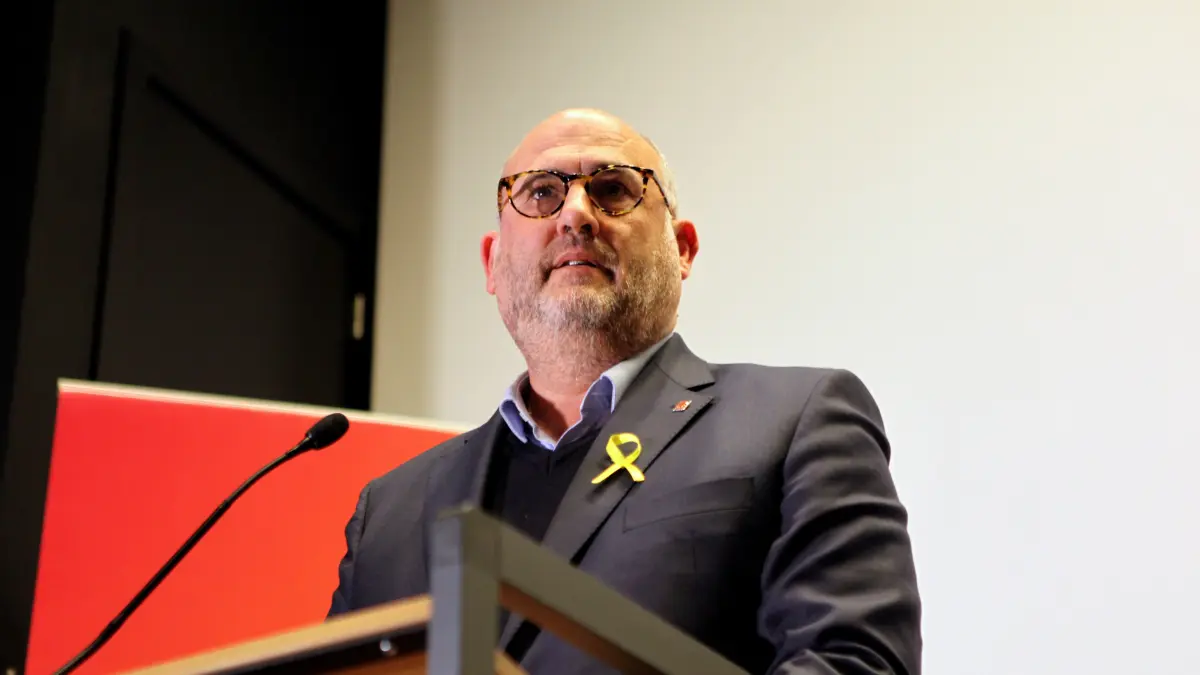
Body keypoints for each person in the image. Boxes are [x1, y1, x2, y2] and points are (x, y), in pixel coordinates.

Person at [327, 108, 922, 674]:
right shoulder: (389, 512)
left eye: (613, 189)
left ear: (682, 249)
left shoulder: (796, 421)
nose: (575, 215)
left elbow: (854, 661)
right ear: (492, 262)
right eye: (541, 192)